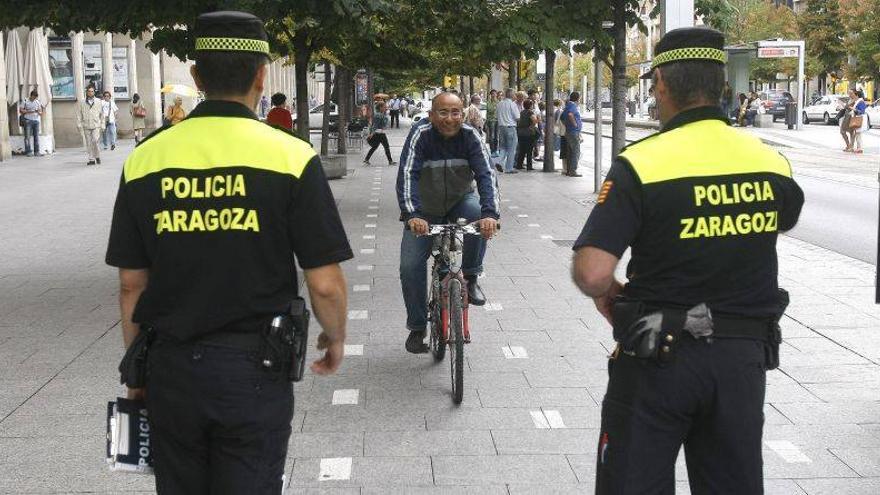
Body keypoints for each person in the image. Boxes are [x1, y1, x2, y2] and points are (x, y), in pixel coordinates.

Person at [104, 11, 352, 494]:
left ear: (196, 77)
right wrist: (334, 336)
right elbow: (323, 281)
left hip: (170, 371)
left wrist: (137, 370)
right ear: (262, 76)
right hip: (253, 372)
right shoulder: (291, 156)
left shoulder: (144, 159)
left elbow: (132, 284)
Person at [571, 27, 804, 494]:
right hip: (741, 359)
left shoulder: (642, 163)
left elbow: (593, 270)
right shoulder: (770, 162)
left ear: (659, 85)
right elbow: (782, 220)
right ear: (720, 85)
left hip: (657, 352)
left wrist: (611, 293)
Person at [396, 92, 500, 353]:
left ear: (462, 114)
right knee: (410, 265)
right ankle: (418, 327)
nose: (450, 118)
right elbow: (407, 174)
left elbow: (487, 175)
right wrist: (412, 215)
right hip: (424, 210)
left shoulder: (471, 136)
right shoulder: (421, 136)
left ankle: (472, 275)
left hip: (459, 200)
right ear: (431, 115)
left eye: (456, 112)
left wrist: (491, 214)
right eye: (443, 112)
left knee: (477, 214)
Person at [75, 86, 104, 165]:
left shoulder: (98, 101)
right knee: (88, 143)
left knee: (95, 140)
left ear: (94, 92)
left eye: (92, 91)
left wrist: (102, 124)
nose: (90, 93)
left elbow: (102, 114)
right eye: (89, 91)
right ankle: (91, 159)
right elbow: (79, 114)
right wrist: (79, 124)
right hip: (86, 124)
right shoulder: (82, 102)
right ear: (87, 92)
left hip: (96, 124)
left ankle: (97, 156)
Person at [496, 88, 520, 174]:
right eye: (514, 94)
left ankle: (498, 161)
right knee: (511, 149)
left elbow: (497, 115)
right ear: (511, 95)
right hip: (510, 127)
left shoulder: (499, 104)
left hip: (501, 127)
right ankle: (509, 168)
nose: (515, 96)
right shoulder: (512, 104)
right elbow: (517, 117)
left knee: (503, 147)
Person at [364, 100, 395, 166]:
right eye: (384, 107)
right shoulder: (378, 115)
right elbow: (375, 125)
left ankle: (366, 159)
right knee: (386, 147)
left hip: (379, 133)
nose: (385, 108)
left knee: (375, 147)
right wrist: (371, 133)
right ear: (380, 107)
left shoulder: (380, 114)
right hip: (379, 133)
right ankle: (390, 161)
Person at [560, 91, 583, 177]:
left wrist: (566, 124)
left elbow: (562, 117)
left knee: (570, 151)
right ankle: (573, 171)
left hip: (569, 131)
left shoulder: (567, 106)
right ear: (578, 98)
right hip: (573, 131)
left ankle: (569, 170)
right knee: (576, 151)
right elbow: (570, 114)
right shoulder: (573, 106)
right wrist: (575, 124)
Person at [514, 99, 538, 171]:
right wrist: (531, 126)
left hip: (521, 132)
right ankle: (529, 166)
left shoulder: (521, 112)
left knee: (522, 150)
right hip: (528, 133)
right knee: (529, 150)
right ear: (530, 105)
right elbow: (534, 120)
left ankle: (519, 165)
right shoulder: (530, 112)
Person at [19, 90, 44, 156]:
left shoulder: (37, 102)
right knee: (27, 137)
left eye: (35, 97)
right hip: (28, 120)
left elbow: (41, 111)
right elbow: (21, 110)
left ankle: (37, 152)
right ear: (31, 95)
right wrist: (29, 111)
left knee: (36, 137)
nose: (34, 99)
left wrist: (39, 112)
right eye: (33, 97)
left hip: (36, 121)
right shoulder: (25, 101)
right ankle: (28, 151)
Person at [849, 88, 868, 154]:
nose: (853, 96)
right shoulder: (858, 102)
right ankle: (859, 148)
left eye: (854, 94)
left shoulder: (861, 102)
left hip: (859, 119)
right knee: (857, 134)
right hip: (857, 118)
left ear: (857, 95)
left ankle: (860, 148)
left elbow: (861, 111)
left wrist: (854, 109)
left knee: (858, 134)